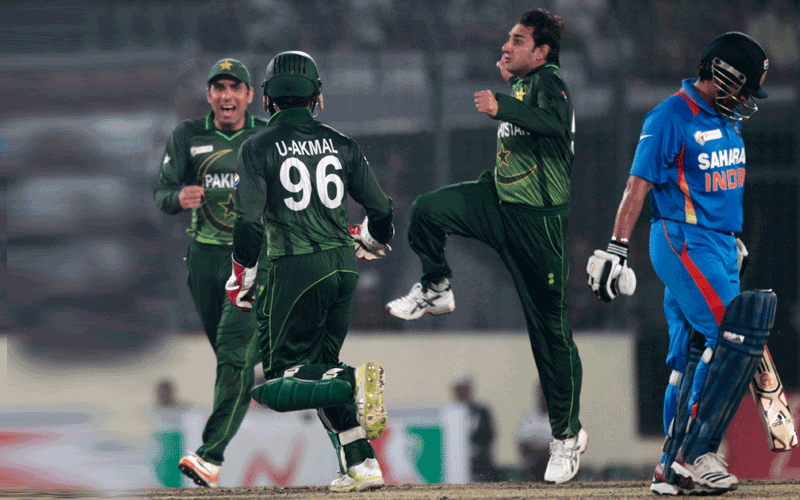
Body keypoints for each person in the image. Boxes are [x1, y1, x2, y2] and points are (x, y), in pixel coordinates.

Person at [385, 8, 587, 485]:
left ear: (541, 53)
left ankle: (566, 435)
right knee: (427, 210)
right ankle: (436, 286)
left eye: (517, 41)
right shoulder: (525, 82)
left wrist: (506, 107)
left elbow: (556, 124)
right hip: (500, 200)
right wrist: (511, 95)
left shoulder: (551, 82)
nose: (505, 46)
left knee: (550, 334)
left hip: (537, 223)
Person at [586, 32, 773, 496]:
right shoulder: (670, 115)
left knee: (689, 356)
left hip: (720, 245)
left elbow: (724, 186)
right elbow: (638, 186)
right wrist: (616, 247)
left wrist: (734, 240)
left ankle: (670, 467)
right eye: (744, 87)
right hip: (682, 240)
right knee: (731, 337)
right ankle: (700, 451)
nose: (747, 98)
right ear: (723, 74)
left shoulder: (729, 119)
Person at [226, 50, 394, 493]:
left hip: (295, 267)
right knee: (315, 372)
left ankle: (352, 381)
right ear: (317, 96)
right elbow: (381, 208)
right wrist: (373, 241)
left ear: (267, 99)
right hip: (343, 267)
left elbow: (248, 220)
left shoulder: (257, 147)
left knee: (279, 383)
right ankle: (363, 465)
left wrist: (241, 273)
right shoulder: (342, 143)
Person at [154, 58, 269, 488]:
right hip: (204, 260)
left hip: (253, 259)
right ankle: (284, 363)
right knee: (233, 357)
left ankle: (210, 455)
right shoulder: (188, 135)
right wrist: (177, 197)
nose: (226, 95)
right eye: (218, 87)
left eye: (234, 87)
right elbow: (161, 190)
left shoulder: (265, 135)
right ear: (209, 96)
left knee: (235, 356)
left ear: (248, 95)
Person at [450, 373, 501, 482]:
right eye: (459, 389)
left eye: (465, 389)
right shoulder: (449, 413)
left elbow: (489, 436)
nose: (462, 392)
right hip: (455, 461)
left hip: (478, 461)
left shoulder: (482, 411)